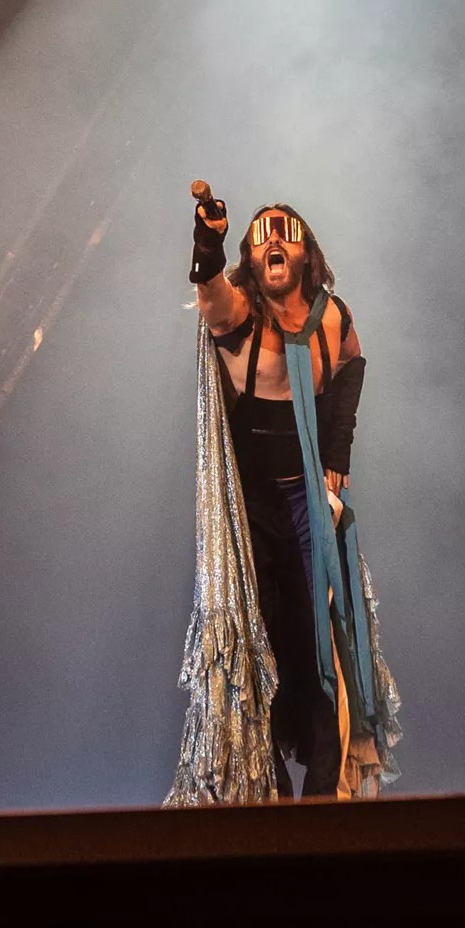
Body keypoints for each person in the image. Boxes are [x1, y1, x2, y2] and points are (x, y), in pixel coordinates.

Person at [172, 182, 397, 800]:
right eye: (261, 233)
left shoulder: (332, 318)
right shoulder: (241, 314)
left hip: (303, 498)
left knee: (322, 633)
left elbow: (352, 364)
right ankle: (264, 791)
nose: (273, 239)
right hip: (248, 505)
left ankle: (325, 795)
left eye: (285, 231)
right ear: (251, 256)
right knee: (255, 638)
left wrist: (338, 452)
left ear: (305, 252)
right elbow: (211, 295)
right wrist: (207, 242)